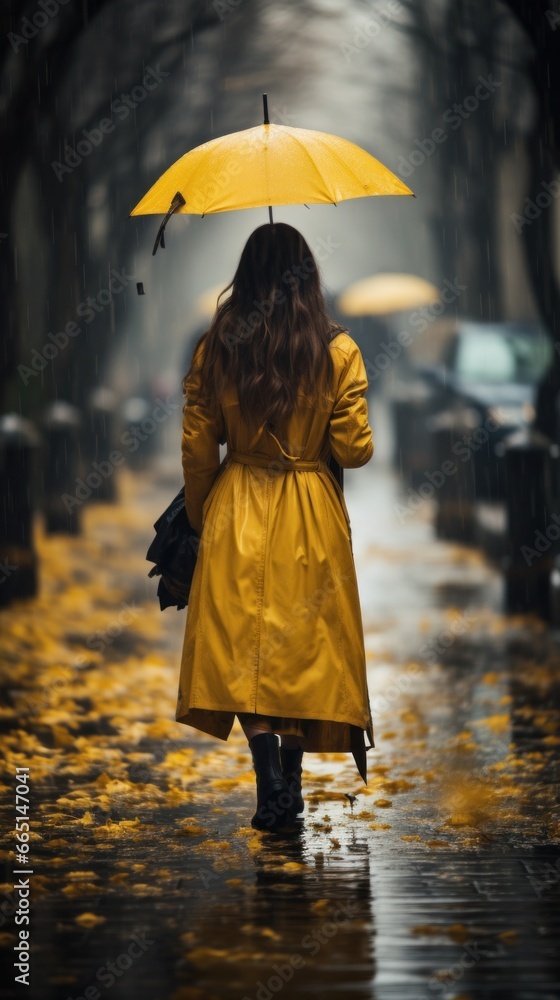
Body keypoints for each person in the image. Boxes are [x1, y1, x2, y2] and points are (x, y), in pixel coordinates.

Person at [176, 222, 375, 833]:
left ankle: (270, 782)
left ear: (246, 275)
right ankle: (288, 783)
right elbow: (357, 447)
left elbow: (196, 444)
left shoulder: (218, 348)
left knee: (244, 652)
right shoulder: (337, 350)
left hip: (238, 503)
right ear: (306, 275)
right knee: (297, 650)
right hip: (309, 510)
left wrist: (201, 511)